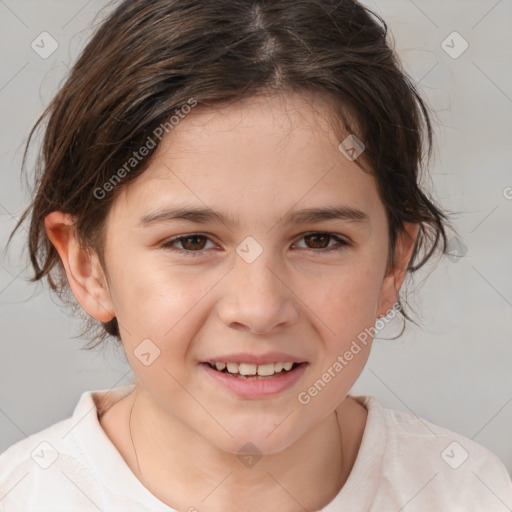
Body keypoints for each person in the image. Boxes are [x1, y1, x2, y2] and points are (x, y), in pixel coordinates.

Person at [1, 0, 511, 510]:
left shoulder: (472, 494)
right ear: (87, 265)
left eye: (318, 240)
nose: (259, 308)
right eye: (192, 242)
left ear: (393, 263)